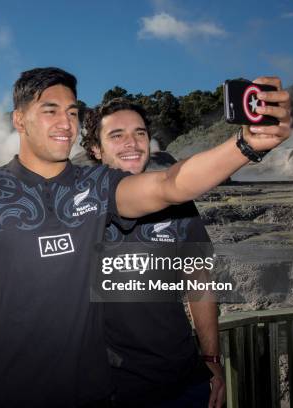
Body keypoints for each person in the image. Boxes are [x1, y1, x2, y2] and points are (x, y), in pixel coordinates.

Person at [0, 67, 291, 408]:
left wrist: (245, 145)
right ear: (19, 120)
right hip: (16, 394)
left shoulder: (95, 187)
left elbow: (171, 186)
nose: (65, 122)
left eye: (72, 112)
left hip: (111, 391)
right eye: (50, 110)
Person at [81, 97, 225, 408]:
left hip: (184, 381)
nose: (131, 142)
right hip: (110, 389)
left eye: (140, 133)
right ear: (96, 149)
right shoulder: (78, 206)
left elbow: (199, 281)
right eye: (116, 135)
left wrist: (211, 357)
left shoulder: (178, 201)